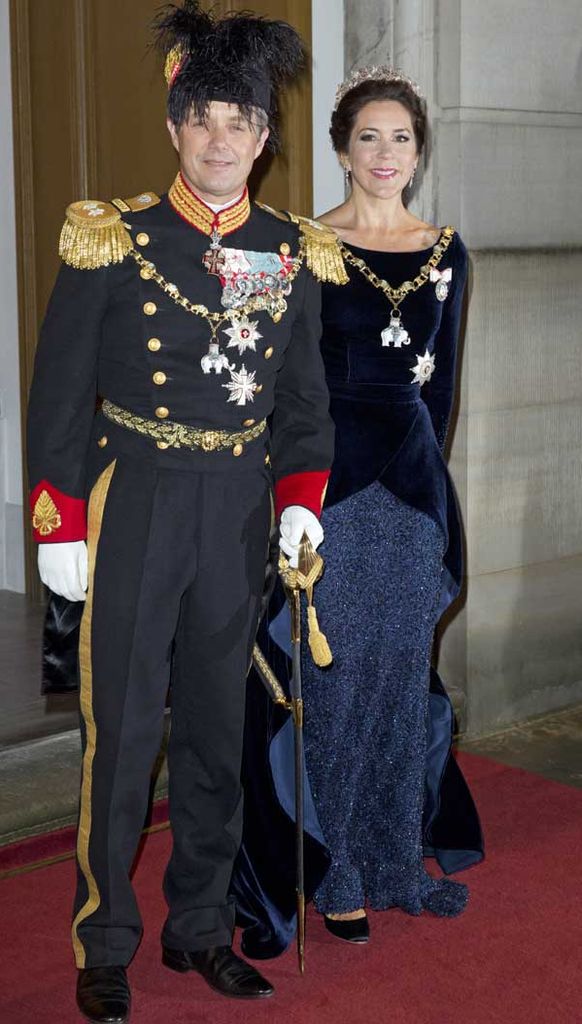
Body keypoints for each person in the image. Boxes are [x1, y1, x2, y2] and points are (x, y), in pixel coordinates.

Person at [26, 3, 340, 1020]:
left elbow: (303, 402)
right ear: (174, 127)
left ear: (264, 138)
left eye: (241, 121)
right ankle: (104, 938)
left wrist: (301, 504)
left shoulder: (293, 252)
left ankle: (198, 924)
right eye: (202, 117)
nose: (220, 138)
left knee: (215, 728)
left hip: (237, 509)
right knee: (119, 735)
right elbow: (60, 391)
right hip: (138, 498)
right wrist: (57, 521)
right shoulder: (112, 234)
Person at [233, 65, 483, 957]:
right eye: (368, 137)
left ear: (418, 154)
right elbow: (270, 383)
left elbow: (441, 388)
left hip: (411, 497)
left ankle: (393, 857)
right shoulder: (301, 245)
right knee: (328, 688)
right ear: (342, 148)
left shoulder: (446, 250)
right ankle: (333, 866)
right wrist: (279, 497)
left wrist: (429, 486)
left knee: (396, 683)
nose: (385, 153)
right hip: (325, 491)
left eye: (402, 138)